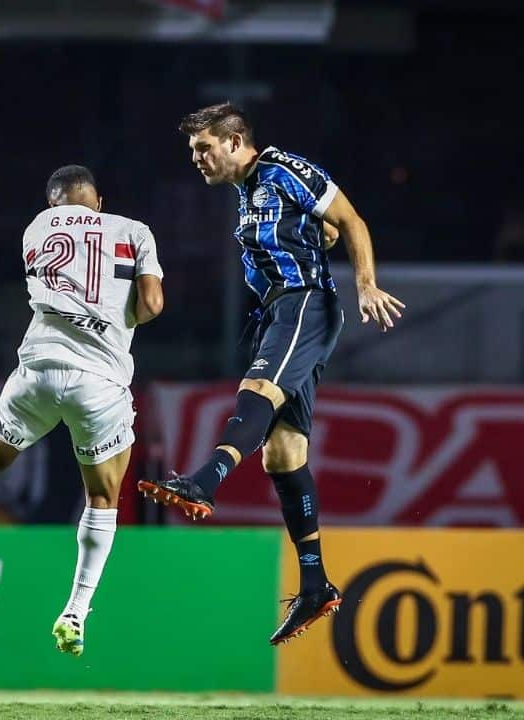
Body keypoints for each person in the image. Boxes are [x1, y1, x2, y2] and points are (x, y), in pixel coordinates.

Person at [139, 103, 404, 646]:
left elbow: (349, 218)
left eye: (204, 148)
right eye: (194, 151)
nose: (197, 159)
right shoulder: (246, 193)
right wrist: (318, 234)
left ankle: (203, 481)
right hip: (279, 313)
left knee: (256, 391)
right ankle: (315, 585)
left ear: (235, 142)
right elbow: (321, 229)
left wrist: (366, 283)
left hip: (304, 304)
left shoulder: (284, 168)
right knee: (283, 455)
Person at [0, 165, 165, 657]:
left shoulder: (37, 229)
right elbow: (151, 304)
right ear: (98, 201)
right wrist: (117, 313)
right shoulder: (134, 231)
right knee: (102, 500)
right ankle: (75, 611)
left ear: (53, 204)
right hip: (100, 379)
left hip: (37, 368)